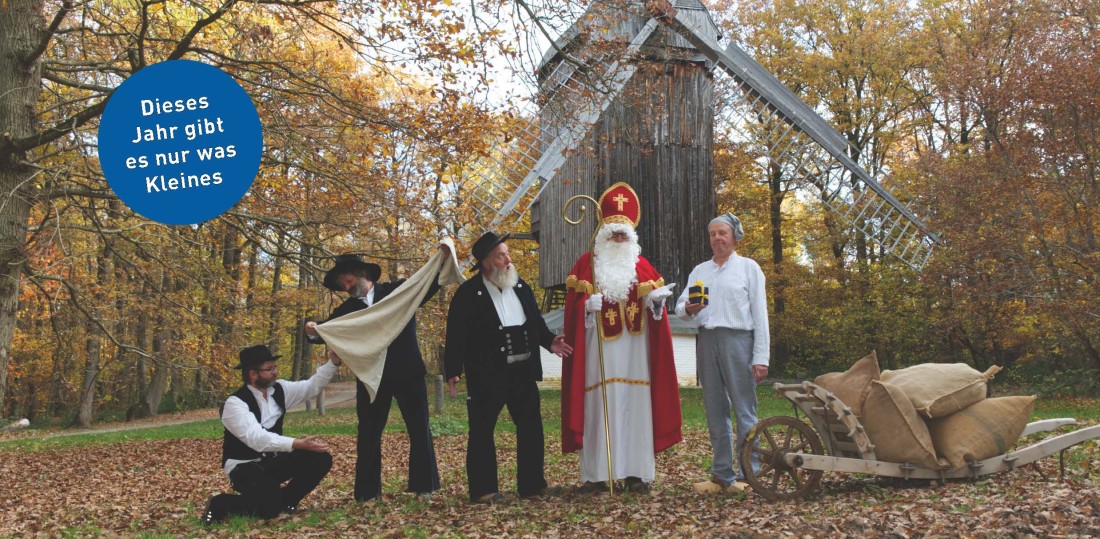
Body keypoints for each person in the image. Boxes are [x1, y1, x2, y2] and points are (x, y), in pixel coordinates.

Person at [561, 182, 682, 494]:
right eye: (613, 234)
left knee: (635, 409)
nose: (618, 239)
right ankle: (597, 475)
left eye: (623, 235)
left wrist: (656, 305)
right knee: (598, 410)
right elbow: (571, 313)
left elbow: (656, 316)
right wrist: (585, 309)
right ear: (602, 235)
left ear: (631, 239)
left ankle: (636, 474)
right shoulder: (586, 265)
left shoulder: (642, 267)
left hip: (635, 360)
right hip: (597, 357)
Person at [443, 231, 573, 504]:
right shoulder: (468, 295)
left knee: (531, 428)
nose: (508, 259)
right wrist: (453, 369)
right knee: (481, 431)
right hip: (487, 375)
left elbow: (536, 323)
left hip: (522, 372)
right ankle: (484, 489)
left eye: (507, 253)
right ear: (487, 263)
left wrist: (550, 342)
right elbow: (455, 335)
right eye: (501, 255)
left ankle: (532, 484)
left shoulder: (521, 287)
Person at [304, 251, 443, 502]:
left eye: (347, 282)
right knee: (368, 433)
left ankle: (425, 487)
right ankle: (368, 493)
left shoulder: (396, 293)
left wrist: (443, 257)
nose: (346, 288)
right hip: (371, 379)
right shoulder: (347, 309)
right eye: (342, 285)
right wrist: (313, 331)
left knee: (419, 428)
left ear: (362, 274)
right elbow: (327, 330)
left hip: (409, 372)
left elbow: (428, 283)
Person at [675, 212, 770, 494]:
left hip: (738, 340)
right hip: (707, 340)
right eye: (713, 234)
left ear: (733, 236)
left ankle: (748, 474)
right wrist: (689, 309)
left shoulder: (748, 268)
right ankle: (720, 475)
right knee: (715, 410)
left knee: (744, 409)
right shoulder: (700, 271)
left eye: (722, 233)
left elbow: (760, 315)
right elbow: (682, 307)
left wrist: (761, 357)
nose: (717, 238)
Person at [201, 344, 341, 525]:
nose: (275, 372)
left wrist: (333, 363)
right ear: (253, 374)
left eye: (274, 367)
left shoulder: (280, 390)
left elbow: (311, 387)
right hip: (244, 467)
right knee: (269, 510)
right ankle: (220, 503)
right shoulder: (235, 404)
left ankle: (287, 502)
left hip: (272, 462)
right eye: (269, 369)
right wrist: (296, 443)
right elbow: (256, 439)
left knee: (320, 458)